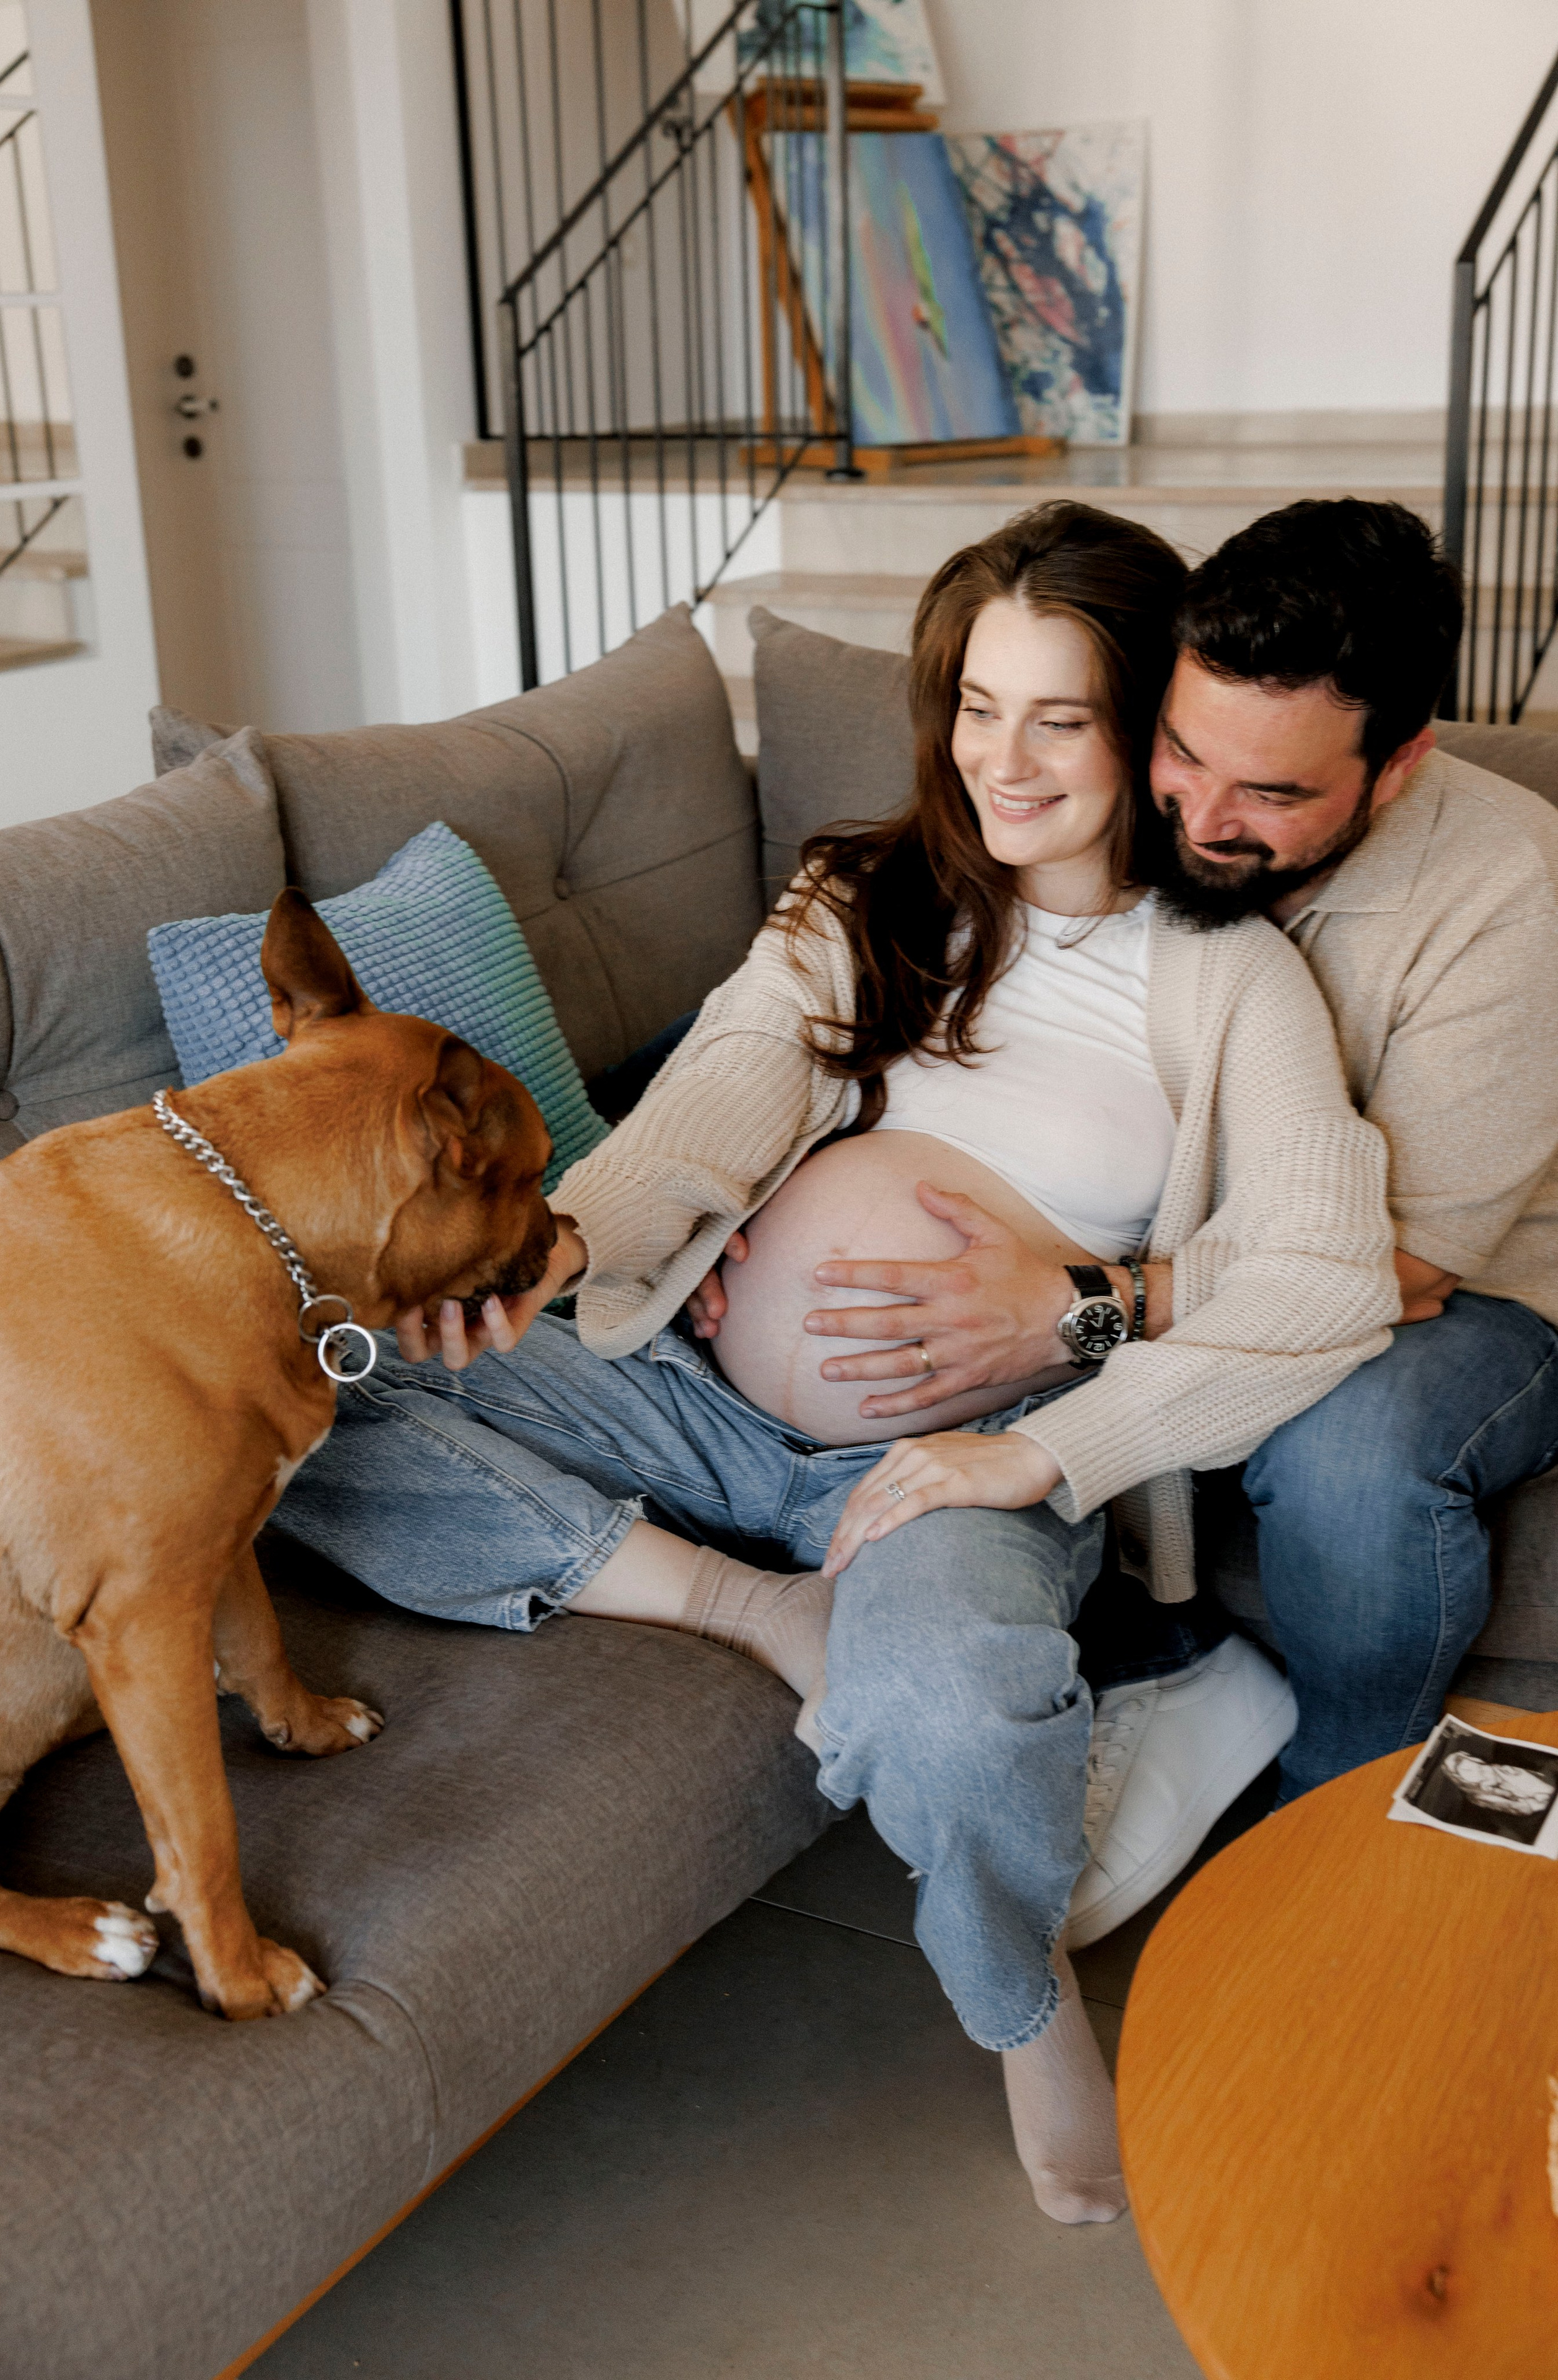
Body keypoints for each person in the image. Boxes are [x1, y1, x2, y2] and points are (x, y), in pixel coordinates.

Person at [273, 500, 1397, 2226]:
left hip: (956, 1460)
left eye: (1060, 716)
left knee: (945, 1713)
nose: (1002, 762)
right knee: (315, 1369)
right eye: (974, 706)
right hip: (689, 1384)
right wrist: (566, 1249)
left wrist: (1053, 1387)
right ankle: (750, 1608)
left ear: (1145, 727)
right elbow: (721, 1091)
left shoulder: (1228, 975)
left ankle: (1022, 2018)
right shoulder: (863, 896)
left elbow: (1323, 1279)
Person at [804, 498, 1558, 1940]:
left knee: (1350, 1451)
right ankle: (1166, 1667)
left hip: (1468, 1297)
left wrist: (1076, 1304)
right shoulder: (1132, 812)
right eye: (1183, 753)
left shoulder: (1505, 893)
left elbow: (1391, 1272)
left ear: (1396, 765)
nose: (1202, 820)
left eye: (1271, 798)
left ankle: (1339, 1832)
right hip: (1188, 1238)